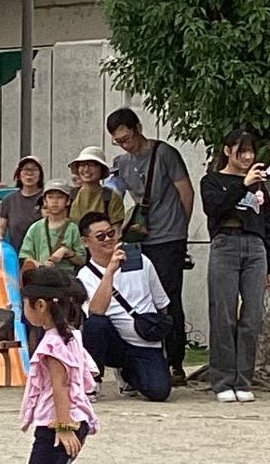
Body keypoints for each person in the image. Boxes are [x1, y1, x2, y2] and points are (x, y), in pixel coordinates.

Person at [0, 266, 97, 464]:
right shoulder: (72, 337)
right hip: (69, 420)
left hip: (56, 424)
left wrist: (64, 426)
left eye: (26, 304)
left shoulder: (53, 343)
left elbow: (61, 385)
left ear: (40, 305)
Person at [108, 109, 195, 384]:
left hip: (169, 237)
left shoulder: (165, 153)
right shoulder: (121, 162)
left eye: (128, 137)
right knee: (137, 296)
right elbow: (113, 197)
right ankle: (146, 356)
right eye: (119, 141)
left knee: (168, 298)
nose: (125, 144)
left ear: (138, 128)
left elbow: (186, 192)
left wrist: (181, 229)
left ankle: (175, 360)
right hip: (137, 238)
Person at [200, 128, 270, 404]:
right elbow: (215, 208)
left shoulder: (259, 184)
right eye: (241, 151)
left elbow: (268, 223)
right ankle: (222, 380)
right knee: (223, 313)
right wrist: (242, 184)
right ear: (227, 151)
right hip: (225, 243)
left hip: (255, 247)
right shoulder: (212, 180)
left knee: (252, 314)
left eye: (250, 151)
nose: (247, 156)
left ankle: (243, 379)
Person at [76, 212, 174, 402]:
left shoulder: (142, 261)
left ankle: (129, 374)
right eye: (100, 236)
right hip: (114, 341)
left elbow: (162, 304)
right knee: (95, 324)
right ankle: (93, 380)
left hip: (144, 339)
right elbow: (96, 311)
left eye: (110, 233)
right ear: (86, 241)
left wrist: (157, 334)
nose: (107, 240)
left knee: (159, 392)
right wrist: (110, 271)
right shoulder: (85, 275)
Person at [18, 181, 84, 274]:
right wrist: (41, 265)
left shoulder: (73, 228)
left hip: (67, 279)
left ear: (68, 201)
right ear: (44, 201)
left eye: (60, 197)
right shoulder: (35, 228)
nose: (55, 201)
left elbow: (82, 260)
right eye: (50, 197)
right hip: (41, 278)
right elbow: (24, 258)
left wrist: (67, 252)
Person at [67, 146, 127, 229]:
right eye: (82, 165)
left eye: (92, 165)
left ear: (101, 169)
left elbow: (115, 231)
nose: (86, 169)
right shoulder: (71, 195)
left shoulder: (111, 196)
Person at [0, 157, 47, 248]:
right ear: (18, 174)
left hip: (41, 253)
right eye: (25, 169)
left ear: (40, 175)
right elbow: (1, 226)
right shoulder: (9, 200)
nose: (29, 173)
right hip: (16, 253)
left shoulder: (47, 197)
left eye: (34, 169)